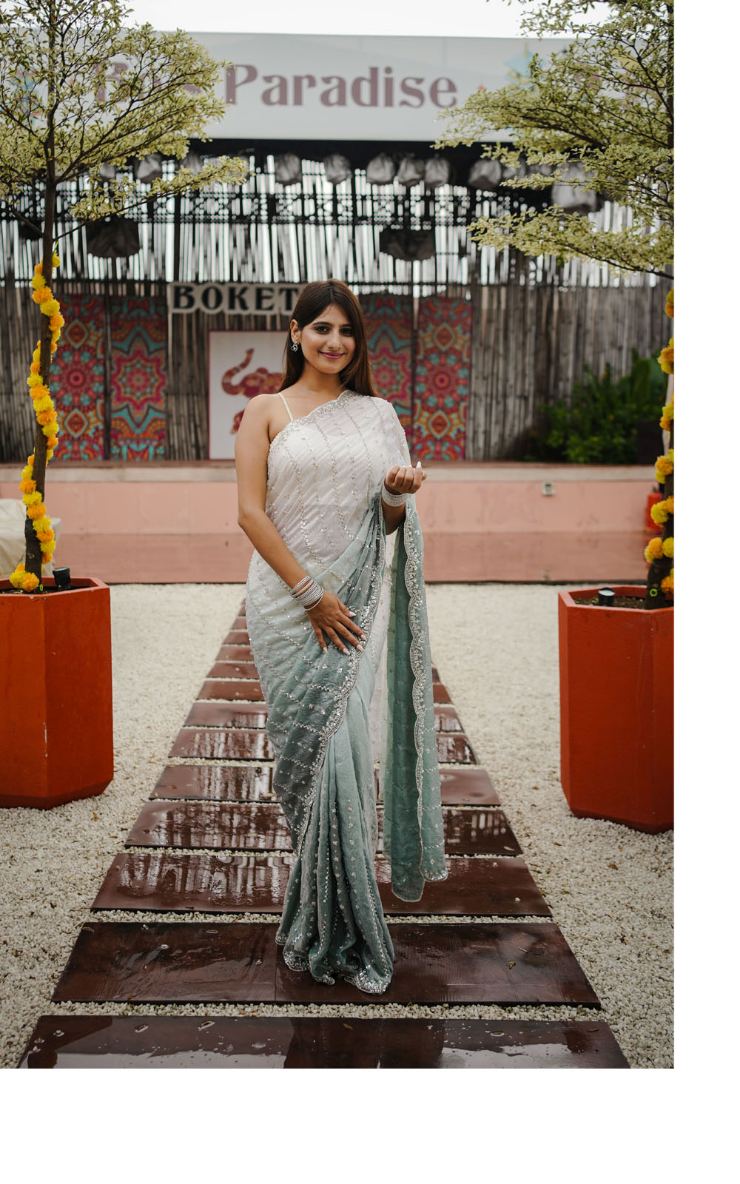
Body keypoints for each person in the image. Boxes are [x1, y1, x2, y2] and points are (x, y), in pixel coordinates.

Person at [235, 279, 447, 995]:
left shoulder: (379, 414)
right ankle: (319, 900)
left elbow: (386, 521)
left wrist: (395, 493)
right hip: (286, 606)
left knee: (345, 752)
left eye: (347, 331)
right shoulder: (266, 411)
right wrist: (308, 594)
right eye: (320, 328)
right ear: (293, 332)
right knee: (302, 753)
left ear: (358, 342)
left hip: (352, 604)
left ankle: (343, 914)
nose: (334, 341)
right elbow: (251, 515)